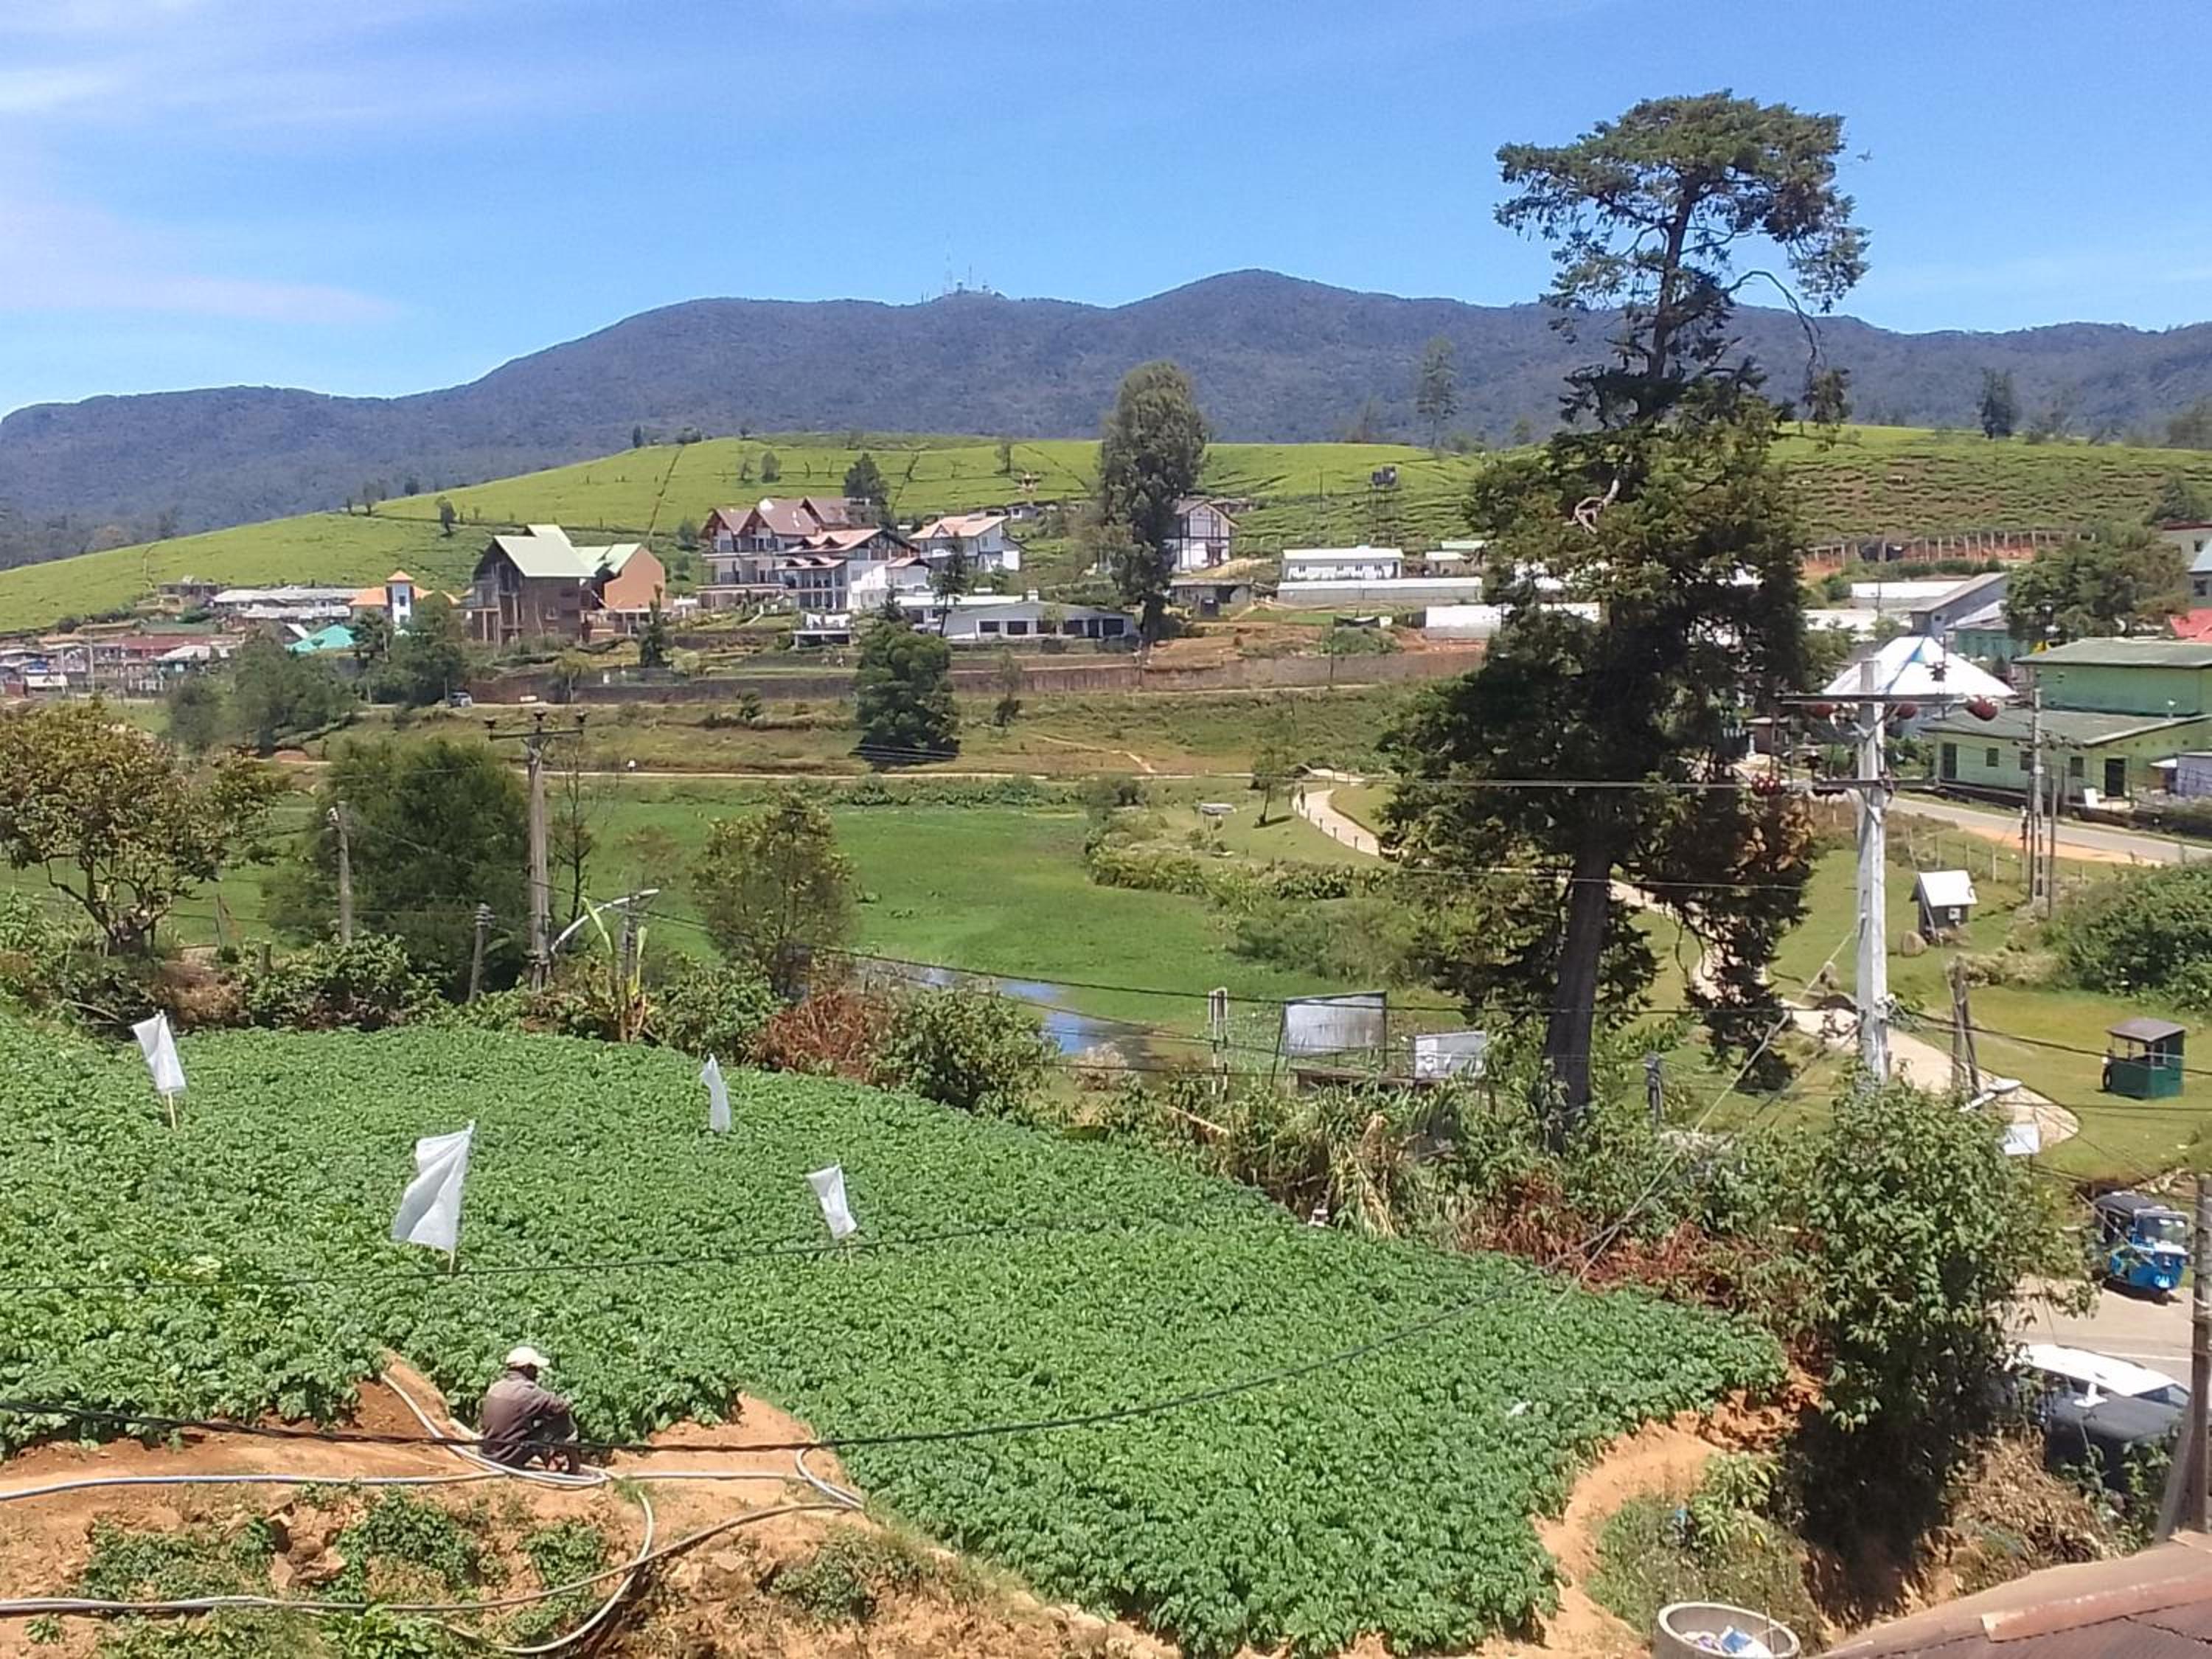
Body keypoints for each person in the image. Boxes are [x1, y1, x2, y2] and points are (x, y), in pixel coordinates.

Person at [478, 1346, 581, 1473]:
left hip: (487, 1453)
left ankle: (551, 1459)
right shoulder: (529, 1392)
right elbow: (561, 1406)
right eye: (535, 1368)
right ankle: (572, 1467)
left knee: (533, 1425)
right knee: (562, 1418)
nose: (537, 1372)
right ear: (527, 1369)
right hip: (507, 1458)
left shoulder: (495, 1387)